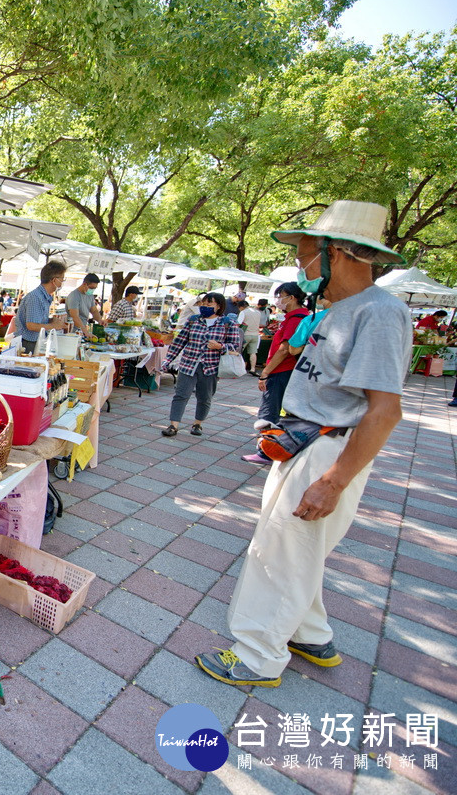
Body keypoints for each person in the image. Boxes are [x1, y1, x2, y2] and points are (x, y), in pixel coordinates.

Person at [196, 200, 411, 689]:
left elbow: (385, 411)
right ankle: (311, 634)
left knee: (279, 554)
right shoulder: (342, 309)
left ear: (341, 253)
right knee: (297, 550)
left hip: (327, 451)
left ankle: (256, 657)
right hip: (305, 442)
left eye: (307, 254)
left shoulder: (379, 314)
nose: (300, 266)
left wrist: (333, 481)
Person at [242, 283, 311, 464]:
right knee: (274, 410)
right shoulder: (296, 317)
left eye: (281, 295)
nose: (278, 299)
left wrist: (265, 372)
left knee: (269, 411)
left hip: (282, 370)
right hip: (284, 370)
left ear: (293, 297)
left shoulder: (297, 318)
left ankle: (266, 451)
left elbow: (285, 349)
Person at [159, 292, 243, 437]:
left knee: (205, 397)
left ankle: (197, 424)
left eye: (209, 305)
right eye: (203, 304)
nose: (205, 307)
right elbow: (179, 342)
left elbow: (235, 346)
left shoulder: (227, 323)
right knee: (181, 395)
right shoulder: (193, 320)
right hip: (188, 364)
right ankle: (173, 426)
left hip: (210, 367)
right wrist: (168, 360)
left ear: (218, 306)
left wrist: (220, 346)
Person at [17, 261, 70, 353]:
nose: (62, 283)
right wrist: (53, 326)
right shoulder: (35, 297)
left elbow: (37, 320)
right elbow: (31, 325)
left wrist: (51, 320)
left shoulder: (44, 297)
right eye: (62, 280)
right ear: (54, 280)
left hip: (35, 341)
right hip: (28, 344)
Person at [65, 273, 104, 338]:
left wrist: (100, 320)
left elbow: (94, 311)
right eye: (91, 288)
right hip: (74, 332)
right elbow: (75, 317)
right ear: (84, 284)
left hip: (83, 331)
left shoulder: (90, 295)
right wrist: (86, 332)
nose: (93, 290)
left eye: (95, 288)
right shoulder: (74, 296)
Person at [238, 299, 265, 374]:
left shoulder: (243, 312)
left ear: (241, 307)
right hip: (256, 334)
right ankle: (253, 369)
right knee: (253, 352)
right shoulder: (257, 312)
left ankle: (239, 368)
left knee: (239, 351)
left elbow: (238, 323)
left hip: (245, 334)